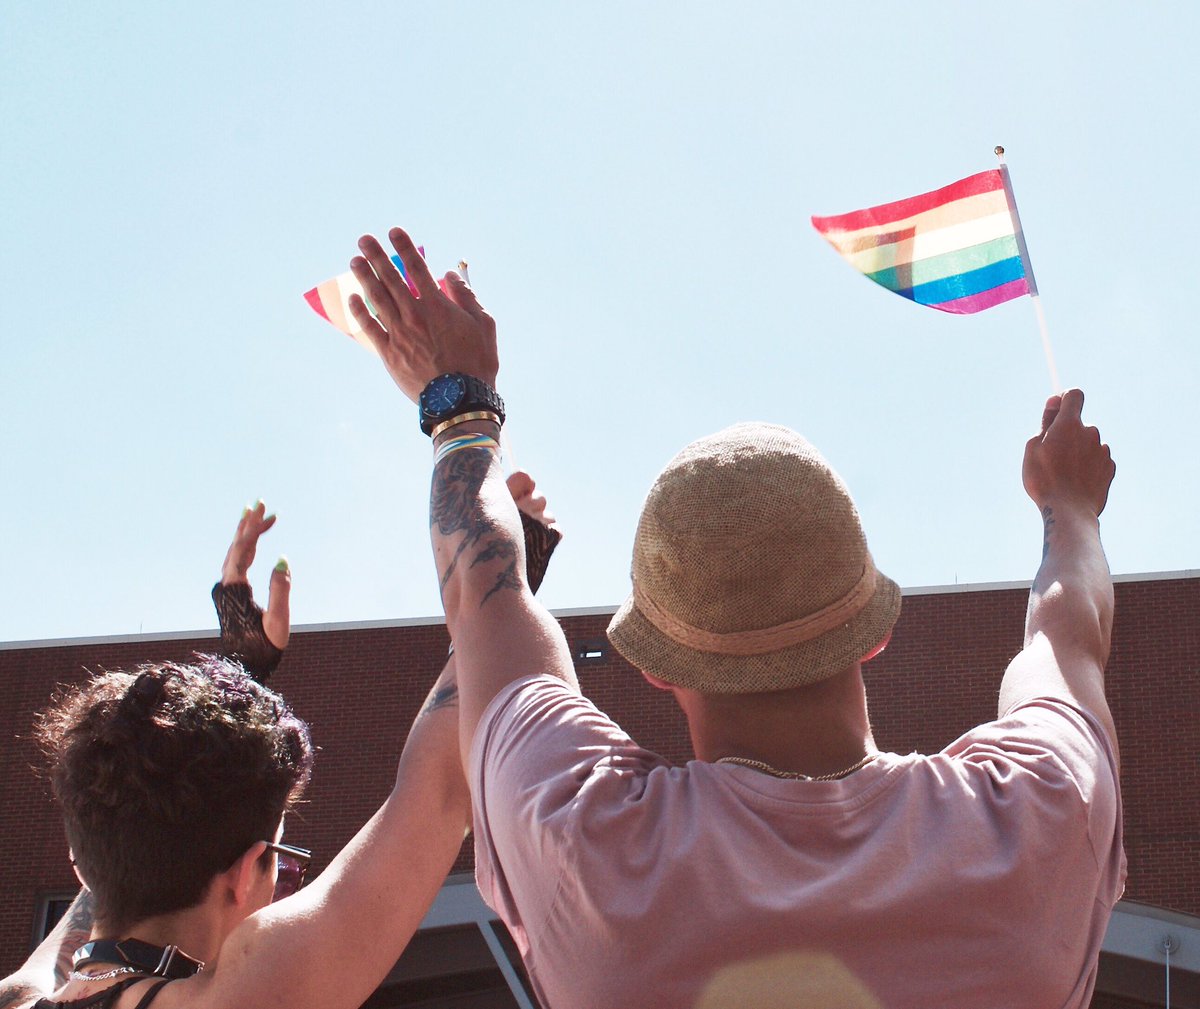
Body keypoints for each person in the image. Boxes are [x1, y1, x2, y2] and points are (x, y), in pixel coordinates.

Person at [347, 226, 1125, 1009]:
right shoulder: (1036, 817)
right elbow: (1069, 633)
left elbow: (489, 603)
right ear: (876, 632)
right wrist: (1071, 504)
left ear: (656, 666)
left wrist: (460, 406)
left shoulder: (587, 843)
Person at [1, 485, 559, 1009]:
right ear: (246, 873)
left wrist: (241, 683)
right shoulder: (254, 991)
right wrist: (504, 585)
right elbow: (440, 786)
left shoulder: (20, 993)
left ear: (80, 865)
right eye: (281, 866)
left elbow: (124, 854)